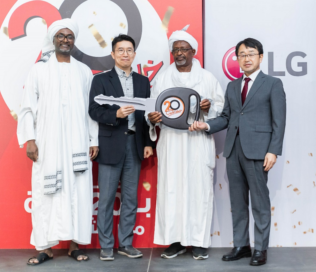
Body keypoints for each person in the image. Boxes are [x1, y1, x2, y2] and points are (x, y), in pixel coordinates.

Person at [189, 38, 286, 266]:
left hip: (259, 152)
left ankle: (260, 249)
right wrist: (207, 125)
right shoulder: (233, 86)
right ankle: (241, 245)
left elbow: (279, 121)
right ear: (238, 59)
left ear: (260, 57)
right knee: (238, 202)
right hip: (234, 151)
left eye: (251, 54)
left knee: (260, 203)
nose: (246, 58)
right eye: (242, 54)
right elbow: (226, 117)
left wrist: (273, 151)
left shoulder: (272, 83)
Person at [17, 18, 99, 265]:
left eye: (70, 36)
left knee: (78, 192)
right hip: (48, 141)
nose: (65, 40)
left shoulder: (84, 71)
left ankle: (74, 245)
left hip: (77, 142)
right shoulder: (39, 70)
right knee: (46, 193)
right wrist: (30, 139)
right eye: (61, 36)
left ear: (74, 41)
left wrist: (93, 139)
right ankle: (45, 247)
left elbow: (90, 110)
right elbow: (27, 108)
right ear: (53, 40)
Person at [147, 27, 225, 260]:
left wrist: (208, 107)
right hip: (171, 142)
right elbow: (152, 108)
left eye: (184, 49)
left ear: (193, 51)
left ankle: (199, 242)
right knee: (171, 190)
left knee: (198, 190)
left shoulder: (208, 78)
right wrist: (152, 118)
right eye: (176, 50)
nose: (179, 53)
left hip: (197, 142)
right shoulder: (162, 78)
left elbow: (221, 109)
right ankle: (175, 241)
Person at [89, 34, 155, 261]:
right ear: (113, 54)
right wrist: (115, 114)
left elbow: (146, 116)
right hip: (110, 143)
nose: (125, 54)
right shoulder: (100, 80)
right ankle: (106, 245)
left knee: (130, 197)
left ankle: (125, 243)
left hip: (134, 144)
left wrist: (148, 143)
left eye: (129, 50)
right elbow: (93, 111)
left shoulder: (143, 82)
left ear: (134, 54)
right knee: (106, 197)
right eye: (121, 50)